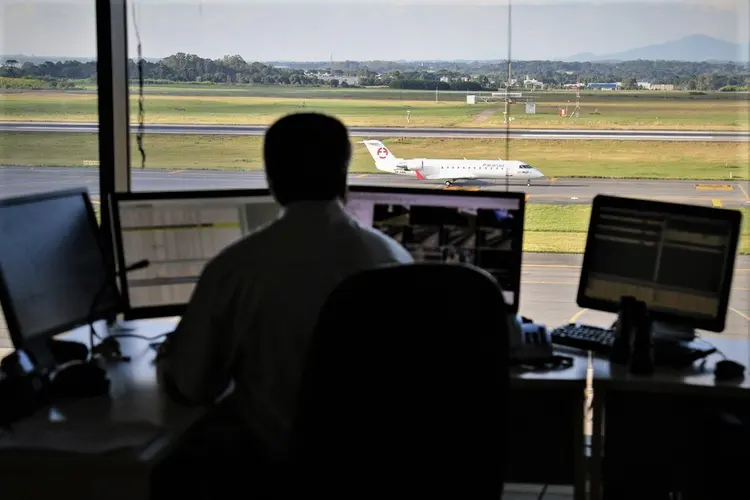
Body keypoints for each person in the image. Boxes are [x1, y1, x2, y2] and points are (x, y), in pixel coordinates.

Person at [157, 112, 413, 462]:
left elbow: (191, 387)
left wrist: (171, 352)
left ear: (271, 180)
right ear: (343, 177)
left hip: (278, 468)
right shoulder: (394, 258)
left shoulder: (236, 267)